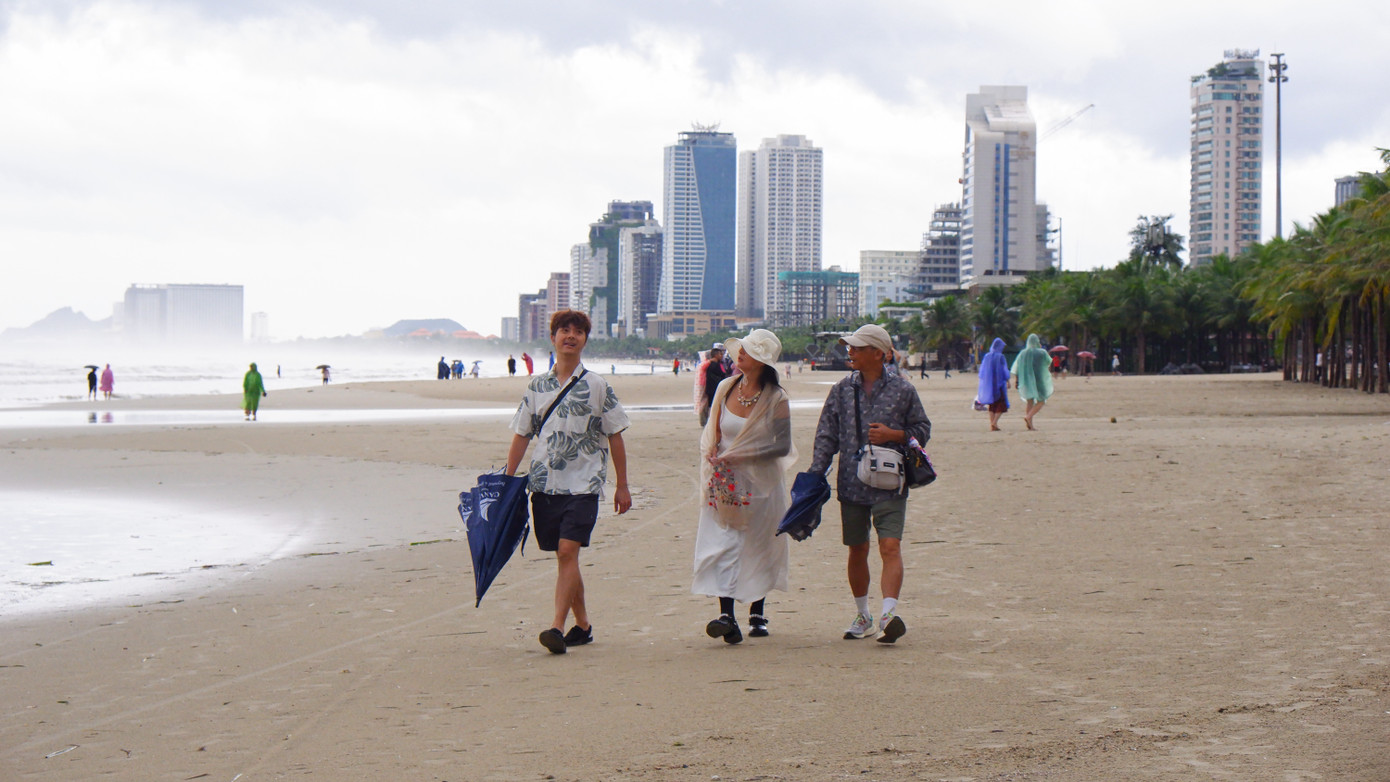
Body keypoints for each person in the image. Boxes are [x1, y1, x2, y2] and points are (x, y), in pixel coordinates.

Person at [505, 309, 631, 655]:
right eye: (564, 330)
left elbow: (615, 436)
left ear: (585, 340)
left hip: (585, 485)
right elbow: (521, 434)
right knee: (565, 559)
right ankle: (584, 625)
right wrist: (506, 477)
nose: (570, 336)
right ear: (553, 337)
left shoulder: (598, 385)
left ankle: (556, 628)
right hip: (545, 483)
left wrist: (622, 485)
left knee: (566, 551)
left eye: (578, 331)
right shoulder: (537, 386)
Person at [807, 324, 931, 644]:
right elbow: (826, 434)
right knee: (857, 547)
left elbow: (922, 430)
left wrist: (895, 435)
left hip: (891, 481)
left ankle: (889, 614)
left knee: (890, 546)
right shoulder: (841, 389)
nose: (850, 352)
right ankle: (863, 615)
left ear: (879, 353)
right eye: (850, 347)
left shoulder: (903, 390)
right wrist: (816, 472)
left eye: (858, 348)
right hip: (850, 481)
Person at [693, 329, 795, 644]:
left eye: (748, 352)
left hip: (762, 485)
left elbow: (782, 446)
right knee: (723, 543)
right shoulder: (726, 387)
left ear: (762, 362)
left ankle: (757, 612)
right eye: (741, 350)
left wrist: (742, 454)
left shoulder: (776, 398)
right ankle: (726, 615)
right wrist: (713, 451)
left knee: (758, 545)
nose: (740, 355)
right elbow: (714, 430)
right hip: (724, 482)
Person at [1011, 334, 1054, 431]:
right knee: (1041, 400)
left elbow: (1016, 367)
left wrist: (1017, 380)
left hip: (1025, 380)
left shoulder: (1023, 353)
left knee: (1029, 401)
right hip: (1039, 379)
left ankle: (1030, 424)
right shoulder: (1042, 352)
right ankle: (1029, 417)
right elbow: (1049, 363)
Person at [977, 338, 1010, 431]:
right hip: (999, 383)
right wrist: (1008, 380)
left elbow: (982, 371)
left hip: (989, 383)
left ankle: (993, 424)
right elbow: (1004, 370)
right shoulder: (1001, 357)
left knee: (992, 404)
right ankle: (994, 423)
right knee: (1001, 404)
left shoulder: (987, 356)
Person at [695, 343, 731, 427]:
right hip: (714, 388)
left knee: (710, 405)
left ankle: (709, 421)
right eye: (720, 353)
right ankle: (712, 421)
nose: (722, 355)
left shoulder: (710, 364)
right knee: (713, 405)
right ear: (716, 355)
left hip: (710, 388)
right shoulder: (715, 365)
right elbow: (722, 374)